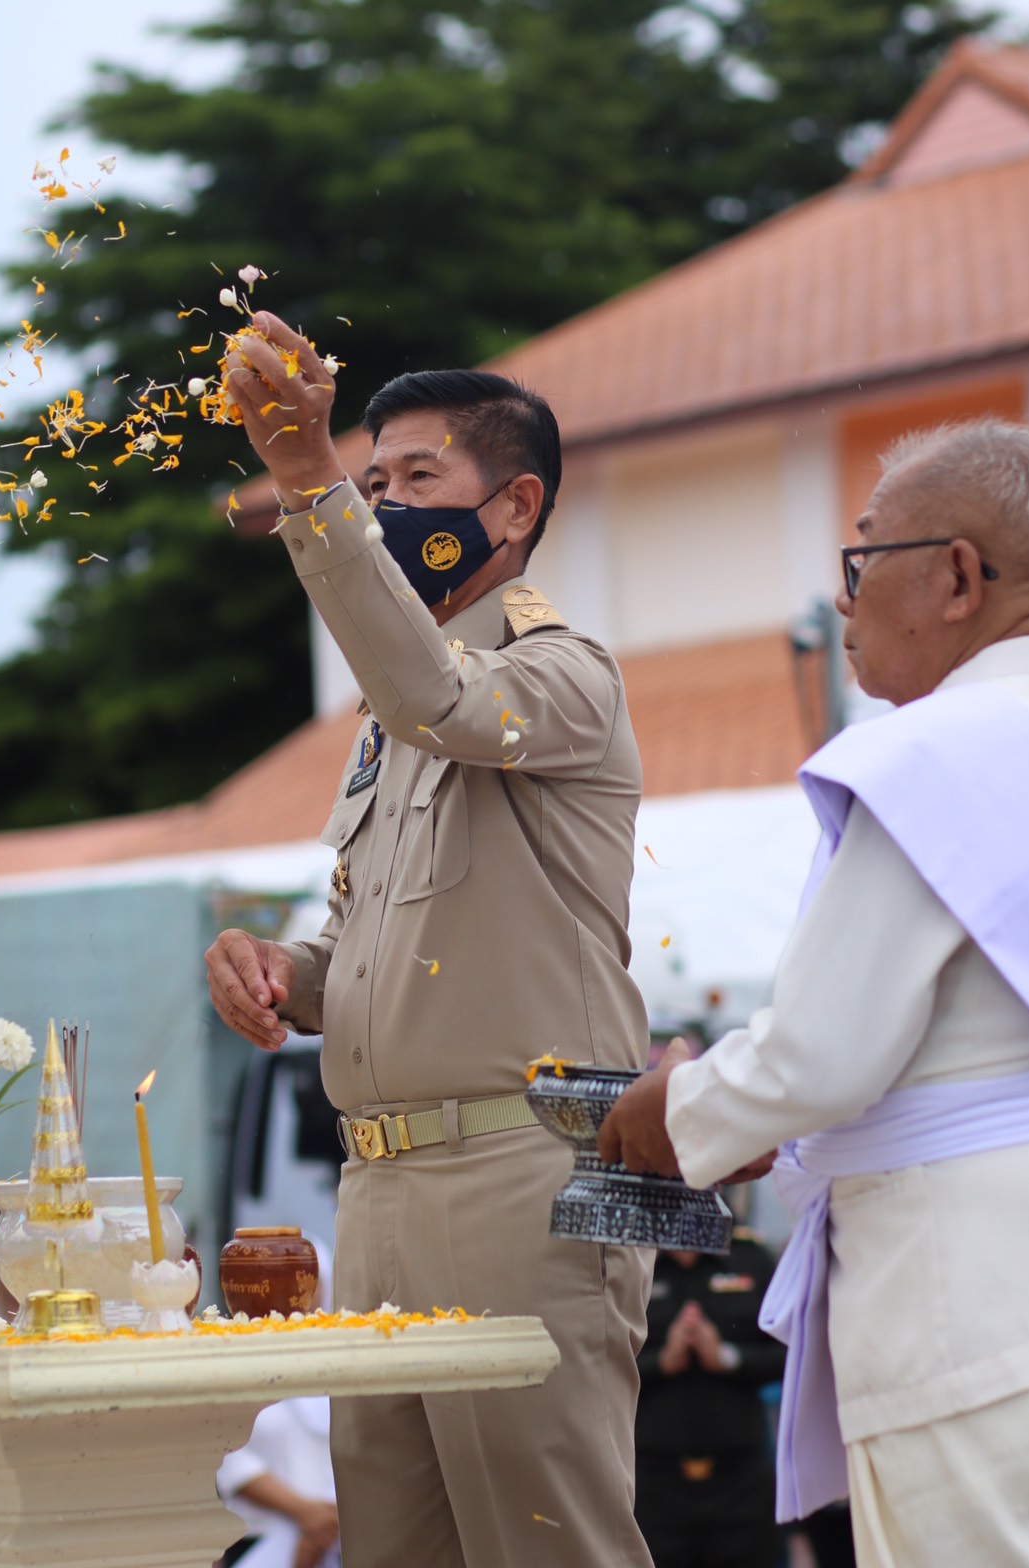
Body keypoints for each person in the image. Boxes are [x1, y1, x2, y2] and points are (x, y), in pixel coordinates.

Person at [205, 313, 655, 1568]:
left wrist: (303, 479)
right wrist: (276, 971)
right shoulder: (384, 724)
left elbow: (437, 692)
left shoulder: (566, 671)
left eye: (415, 481)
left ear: (513, 508)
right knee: (394, 1546)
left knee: (550, 1544)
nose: (385, 503)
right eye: (370, 482)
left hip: (540, 1159)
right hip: (384, 1178)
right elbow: (348, 949)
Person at [597, 418, 1029, 1567]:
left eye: (863, 556)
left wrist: (678, 1109)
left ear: (956, 576)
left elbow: (821, 1057)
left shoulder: (932, 756)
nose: (841, 599)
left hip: (979, 1289)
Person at [634, 1223, 785, 1568]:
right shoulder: (633, 1261)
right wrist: (663, 1361)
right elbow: (600, 1361)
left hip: (739, 1480)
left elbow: (791, 1354)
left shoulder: (749, 1258)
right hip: (655, 1481)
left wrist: (728, 1358)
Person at [216, 1239, 340, 1568]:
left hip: (341, 1544)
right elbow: (227, 1457)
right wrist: (305, 1514)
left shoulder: (344, 1362)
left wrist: (328, 1524)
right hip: (260, 1543)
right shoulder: (233, 1362)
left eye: (302, 1285)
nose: (289, 1296)